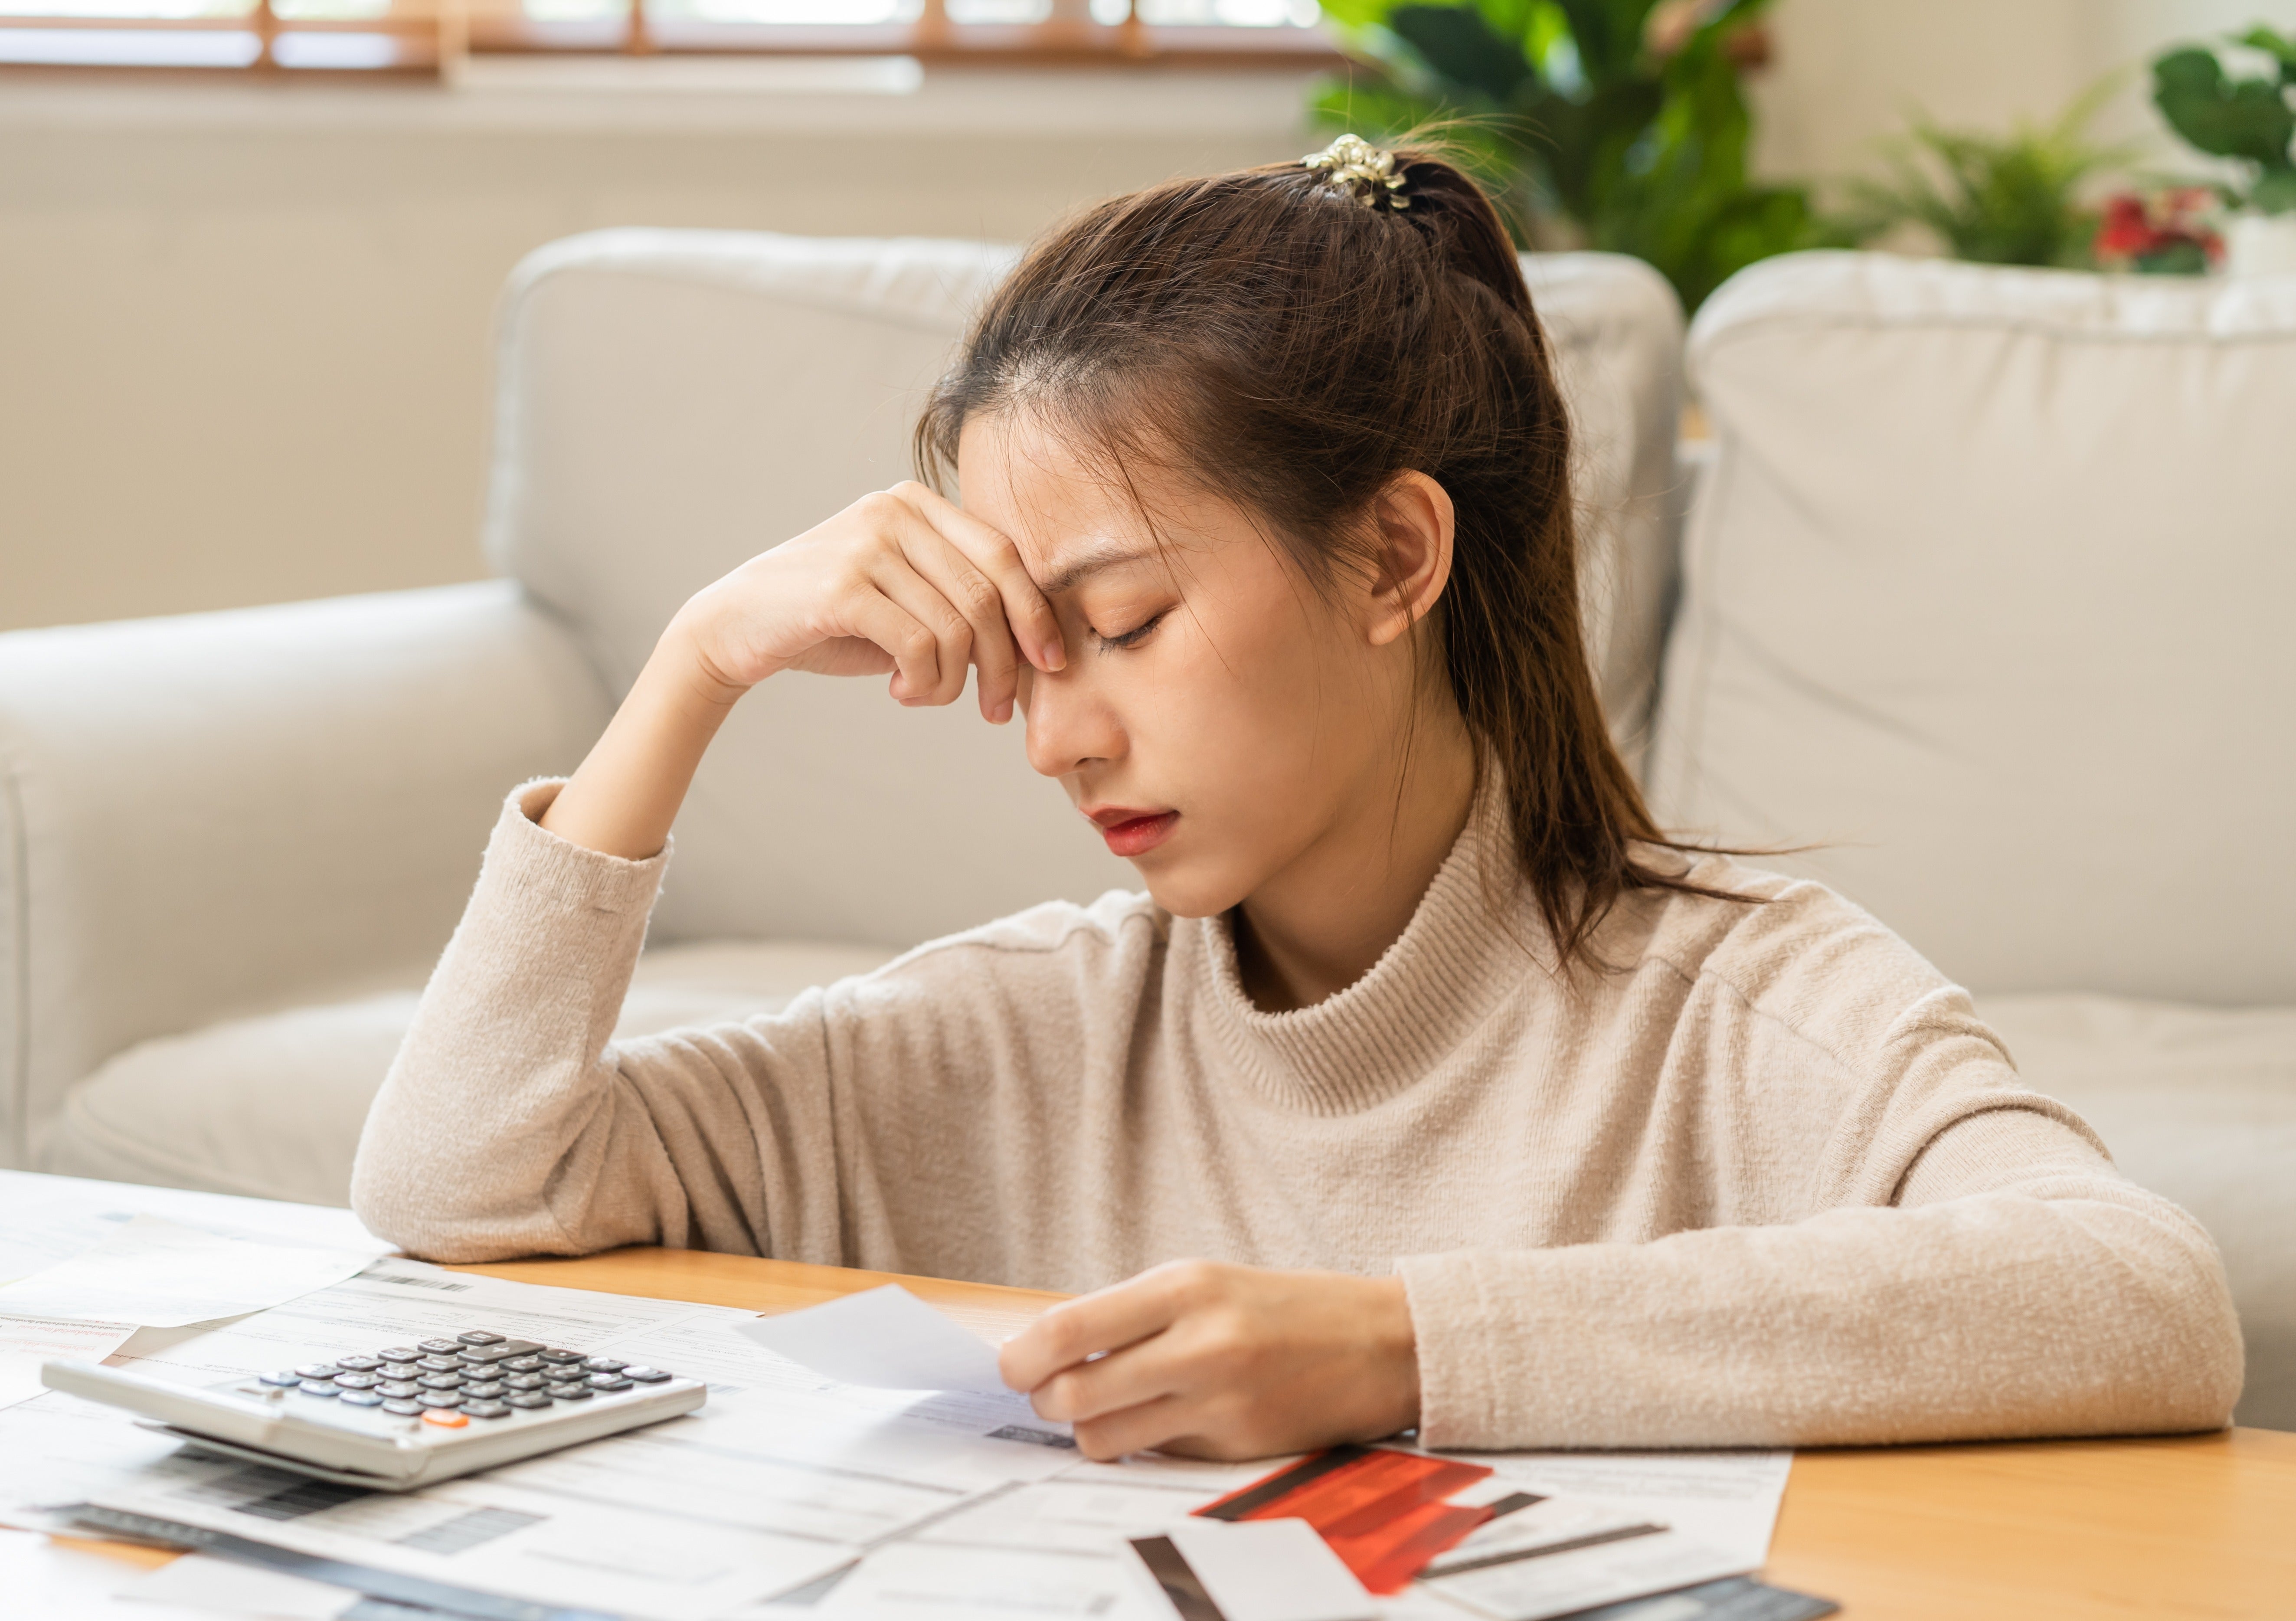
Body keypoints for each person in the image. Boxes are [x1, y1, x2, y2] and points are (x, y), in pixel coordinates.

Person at [351, 138, 2243, 1461]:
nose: (1056, 739)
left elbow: (2140, 1296)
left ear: (1389, 558)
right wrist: (692, 666)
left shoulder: (1732, 1013)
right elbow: (462, 1183)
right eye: (1032, 652)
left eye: (1125, 623)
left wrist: (1400, 1341)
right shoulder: (1022, 1030)